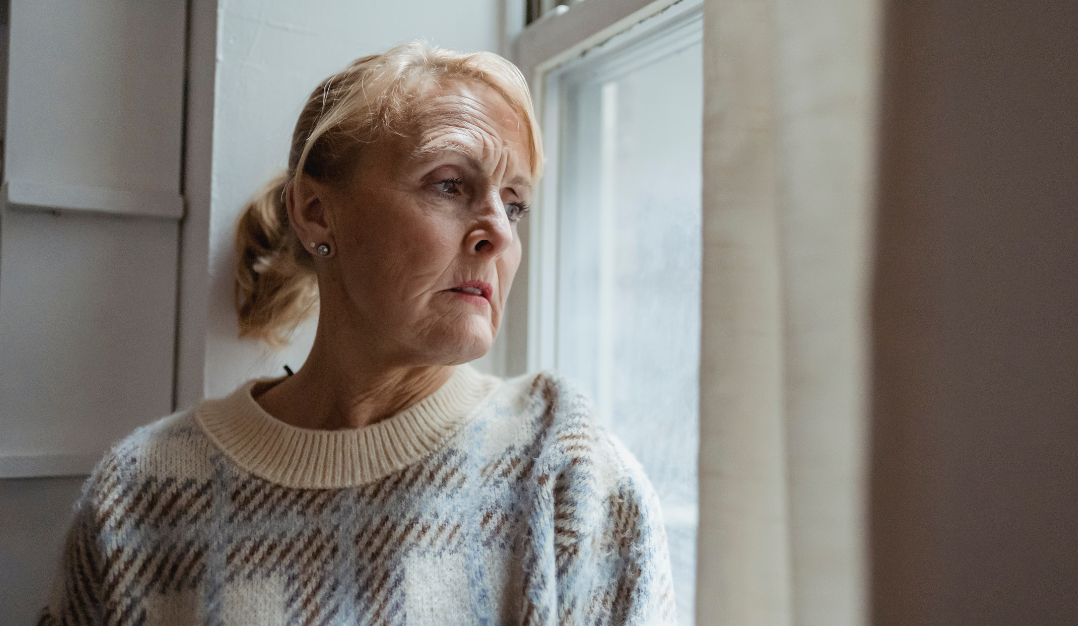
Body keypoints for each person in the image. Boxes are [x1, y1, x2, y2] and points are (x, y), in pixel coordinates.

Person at [39, 41, 675, 625]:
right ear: (316, 211)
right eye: (451, 184)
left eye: (514, 203)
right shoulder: (141, 497)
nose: (499, 233)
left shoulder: (569, 476)